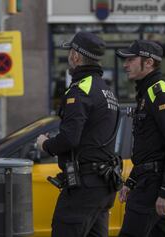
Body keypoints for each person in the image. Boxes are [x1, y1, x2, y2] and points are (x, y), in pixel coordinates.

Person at [36, 32, 120, 237]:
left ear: (75, 56)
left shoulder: (80, 90)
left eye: (69, 53)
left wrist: (45, 144)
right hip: (102, 185)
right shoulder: (106, 90)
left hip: (84, 187)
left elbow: (70, 138)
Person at [116, 40, 165, 237]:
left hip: (154, 187)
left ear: (148, 63)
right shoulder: (147, 92)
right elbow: (149, 147)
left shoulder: (160, 93)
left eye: (131, 59)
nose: (125, 64)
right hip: (148, 182)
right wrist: (131, 181)